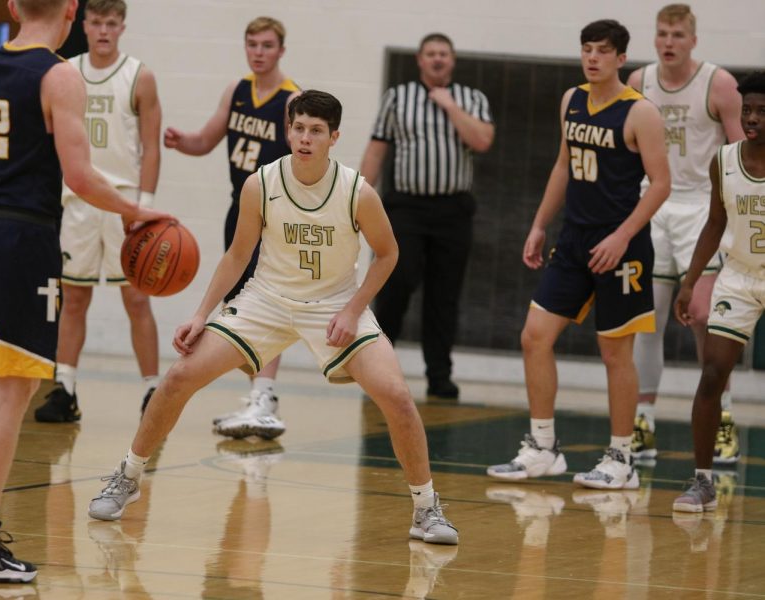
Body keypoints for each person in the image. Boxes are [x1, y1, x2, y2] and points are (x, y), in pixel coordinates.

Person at [88, 90, 458, 546]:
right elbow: (237, 254)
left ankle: (425, 509)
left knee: (398, 397)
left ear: (333, 137)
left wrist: (353, 309)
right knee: (179, 377)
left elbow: (388, 254)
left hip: (333, 304)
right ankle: (127, 477)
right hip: (266, 299)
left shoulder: (356, 191)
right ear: (288, 131)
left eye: (316, 131)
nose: (305, 138)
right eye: (298, 128)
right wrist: (202, 314)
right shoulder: (260, 183)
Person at [0, 0, 170, 582]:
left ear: (11, 6)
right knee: (16, 393)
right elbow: (78, 175)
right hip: (22, 238)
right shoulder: (59, 74)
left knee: (4, 383)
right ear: (72, 11)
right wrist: (137, 211)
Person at [486, 20, 670, 489]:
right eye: (587, 49)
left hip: (621, 245)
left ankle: (622, 458)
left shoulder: (640, 113)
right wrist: (539, 224)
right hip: (573, 239)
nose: (592, 58)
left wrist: (623, 236)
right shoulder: (571, 100)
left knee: (614, 352)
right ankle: (544, 449)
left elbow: (661, 185)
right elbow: (564, 165)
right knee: (535, 336)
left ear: (621, 59)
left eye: (602, 51)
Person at [163, 16, 300, 439]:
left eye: (266, 45)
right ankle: (259, 398)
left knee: (266, 304)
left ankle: (265, 396)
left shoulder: (292, 99)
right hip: (238, 210)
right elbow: (207, 139)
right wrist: (181, 140)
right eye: (252, 44)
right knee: (240, 304)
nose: (258, 52)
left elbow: (302, 159)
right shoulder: (236, 91)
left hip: (273, 214)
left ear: (281, 50)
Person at [34, 0, 164, 422]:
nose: (104, 30)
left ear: (122, 26)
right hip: (77, 202)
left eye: (112, 23)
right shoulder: (63, 72)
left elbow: (151, 146)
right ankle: (65, 388)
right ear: (83, 25)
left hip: (124, 201)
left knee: (137, 300)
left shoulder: (139, 76)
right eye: (97, 22)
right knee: (73, 299)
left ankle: (152, 391)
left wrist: (144, 205)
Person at [627, 3, 744, 464]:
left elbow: (740, 155)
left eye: (677, 34)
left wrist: (737, 220)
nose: (669, 42)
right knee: (647, 319)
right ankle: (643, 424)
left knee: (704, 317)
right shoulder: (638, 83)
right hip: (653, 200)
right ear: (654, 38)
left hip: (702, 205)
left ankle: (723, 418)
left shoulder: (719, 83)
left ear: (693, 40)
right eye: (662, 34)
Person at [360, 32, 494, 401]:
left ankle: (439, 376)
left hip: (453, 210)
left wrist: (449, 106)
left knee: (444, 295)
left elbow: (482, 140)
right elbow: (376, 151)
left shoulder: (472, 100)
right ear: (420, 59)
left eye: (443, 54)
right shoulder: (397, 97)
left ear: (452, 60)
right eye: (430, 54)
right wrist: (354, 199)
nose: (437, 59)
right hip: (406, 208)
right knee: (396, 283)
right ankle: (377, 366)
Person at [672, 72, 765, 512]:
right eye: (747, 109)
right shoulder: (724, 160)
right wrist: (690, 281)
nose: (752, 118)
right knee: (712, 373)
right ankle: (704, 481)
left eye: (762, 112)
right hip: (740, 277)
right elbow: (714, 223)